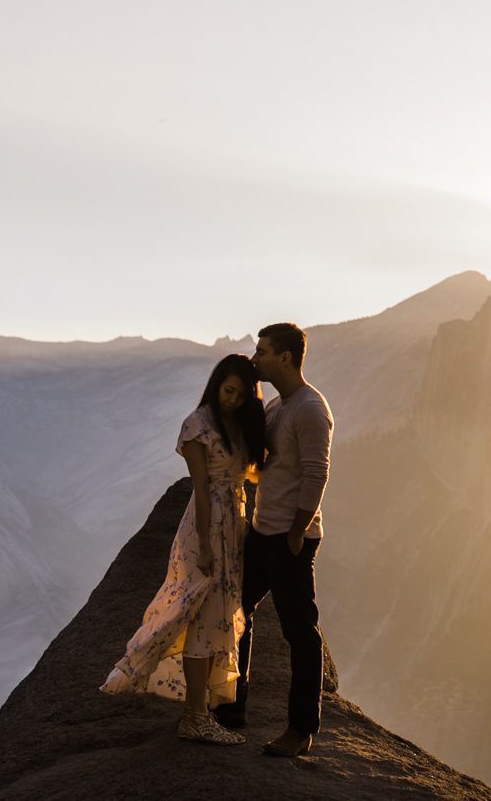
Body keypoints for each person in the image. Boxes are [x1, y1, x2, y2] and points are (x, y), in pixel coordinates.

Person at [99, 353, 268, 745]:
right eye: (228, 391)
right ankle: (194, 716)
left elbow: (253, 471)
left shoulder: (239, 423)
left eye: (242, 395)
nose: (233, 400)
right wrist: (208, 545)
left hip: (233, 527)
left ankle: (199, 712)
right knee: (202, 616)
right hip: (205, 530)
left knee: (219, 619)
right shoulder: (198, 426)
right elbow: (203, 490)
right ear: (215, 385)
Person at [214, 321, 334, 758]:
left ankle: (300, 730)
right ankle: (231, 706)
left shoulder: (309, 408)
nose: (256, 357)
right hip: (265, 532)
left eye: (262, 352)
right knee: (236, 610)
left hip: (289, 537)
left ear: (285, 357)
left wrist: (299, 531)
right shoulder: (278, 406)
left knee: (300, 632)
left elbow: (316, 473)